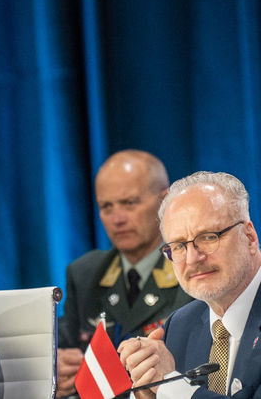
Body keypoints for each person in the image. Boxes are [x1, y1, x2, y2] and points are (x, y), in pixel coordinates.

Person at [57, 150, 192, 397]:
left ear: (165, 202)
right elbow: (62, 346)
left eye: (129, 203)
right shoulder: (85, 273)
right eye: (106, 206)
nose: (117, 219)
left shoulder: (193, 269)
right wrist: (55, 367)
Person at [119, 172, 261, 398]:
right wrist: (150, 393)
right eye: (178, 246)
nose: (193, 259)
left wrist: (167, 384)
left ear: (250, 237)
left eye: (209, 237)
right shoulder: (180, 325)